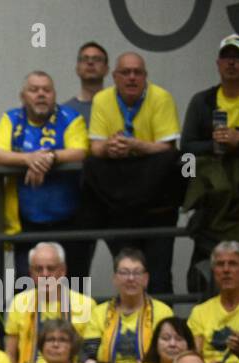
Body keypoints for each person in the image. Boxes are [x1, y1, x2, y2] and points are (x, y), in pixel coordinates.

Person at [87, 52, 181, 295]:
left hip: (156, 205)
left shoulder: (161, 97)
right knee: (127, 275)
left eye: (137, 72)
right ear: (114, 77)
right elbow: (95, 147)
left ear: (145, 77)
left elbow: (168, 148)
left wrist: (134, 145)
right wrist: (109, 148)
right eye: (125, 72)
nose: (131, 78)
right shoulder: (101, 99)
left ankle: (163, 332)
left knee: (158, 277)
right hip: (117, 207)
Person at [0, 70, 91, 280]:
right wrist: (28, 159)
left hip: (69, 221)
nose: (41, 94)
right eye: (34, 90)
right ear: (22, 96)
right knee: (24, 285)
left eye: (47, 90)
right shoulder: (11, 119)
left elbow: (81, 151)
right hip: (26, 223)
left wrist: (49, 158)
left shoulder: (71, 117)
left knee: (74, 287)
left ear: (54, 95)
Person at [181, 37, 239, 286]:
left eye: (237, 58)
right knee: (201, 280)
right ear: (218, 63)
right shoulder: (201, 101)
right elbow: (186, 148)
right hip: (211, 204)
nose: (232, 63)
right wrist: (214, 145)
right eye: (227, 58)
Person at [3, 243, 97, 363]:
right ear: (31, 273)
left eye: (51, 268)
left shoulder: (86, 304)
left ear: (63, 271)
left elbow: (90, 355)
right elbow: (10, 354)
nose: (45, 274)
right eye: (38, 269)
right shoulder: (19, 302)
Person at [84, 250, 173, 363]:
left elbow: (170, 354)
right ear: (114, 279)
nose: (131, 278)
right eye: (124, 273)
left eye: (137, 273)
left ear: (146, 279)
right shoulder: (99, 313)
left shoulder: (162, 312)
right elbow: (89, 354)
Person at [188, 242, 239, 363]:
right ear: (213, 271)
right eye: (220, 264)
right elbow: (192, 355)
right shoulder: (200, 312)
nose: (226, 270)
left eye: (233, 264)